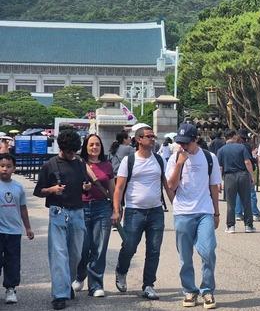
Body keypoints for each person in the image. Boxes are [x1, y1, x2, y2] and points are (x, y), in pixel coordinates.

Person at [112, 126, 172, 301]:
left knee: (154, 250)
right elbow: (119, 188)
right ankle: (121, 271)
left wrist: (177, 205)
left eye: (153, 136)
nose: (152, 139)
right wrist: (116, 210)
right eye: (149, 136)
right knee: (129, 246)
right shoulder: (129, 160)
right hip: (134, 211)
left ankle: (148, 285)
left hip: (156, 211)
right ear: (139, 139)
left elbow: (167, 185)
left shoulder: (159, 160)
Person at [166, 123, 221, 309]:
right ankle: (189, 290)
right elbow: (171, 186)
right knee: (185, 256)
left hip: (205, 210)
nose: (182, 146)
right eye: (180, 143)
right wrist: (179, 163)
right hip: (182, 212)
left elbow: (214, 186)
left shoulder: (209, 157)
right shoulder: (174, 158)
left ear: (196, 140)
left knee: (208, 251)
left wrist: (216, 212)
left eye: (186, 143)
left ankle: (207, 290)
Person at [34, 129, 91, 310]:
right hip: (58, 212)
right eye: (69, 151)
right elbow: (38, 191)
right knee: (59, 254)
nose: (72, 154)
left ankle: (66, 284)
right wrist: (51, 190)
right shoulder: (49, 165)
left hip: (78, 212)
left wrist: (86, 187)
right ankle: (59, 295)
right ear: (61, 148)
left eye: (74, 151)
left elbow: (83, 185)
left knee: (76, 254)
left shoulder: (80, 163)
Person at [73, 134, 114, 297]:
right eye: (91, 145)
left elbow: (112, 188)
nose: (94, 147)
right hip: (81, 208)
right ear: (85, 147)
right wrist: (82, 187)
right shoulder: (78, 163)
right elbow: (70, 185)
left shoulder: (107, 165)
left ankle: (96, 285)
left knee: (99, 248)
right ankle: (80, 274)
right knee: (82, 248)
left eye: (97, 144)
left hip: (102, 208)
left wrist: (117, 208)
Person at [0, 153, 34, 305]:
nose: (4, 169)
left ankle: (11, 288)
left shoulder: (18, 187)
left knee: (12, 261)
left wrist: (28, 228)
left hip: (14, 231)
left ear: (14, 168)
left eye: (8, 166)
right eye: (2, 166)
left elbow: (23, 208)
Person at [217, 130, 256, 233]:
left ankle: (231, 226)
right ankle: (248, 226)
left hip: (229, 176)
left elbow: (220, 167)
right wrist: (252, 175)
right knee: (246, 201)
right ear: (234, 137)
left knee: (230, 203)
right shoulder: (242, 147)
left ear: (225, 138)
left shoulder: (221, 150)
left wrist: (219, 181)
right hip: (243, 175)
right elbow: (247, 162)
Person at [235, 129, 260, 222]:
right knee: (251, 194)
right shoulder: (246, 146)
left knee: (238, 194)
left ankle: (238, 213)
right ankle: (254, 213)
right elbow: (248, 160)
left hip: (236, 172)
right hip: (246, 172)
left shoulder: (234, 146)